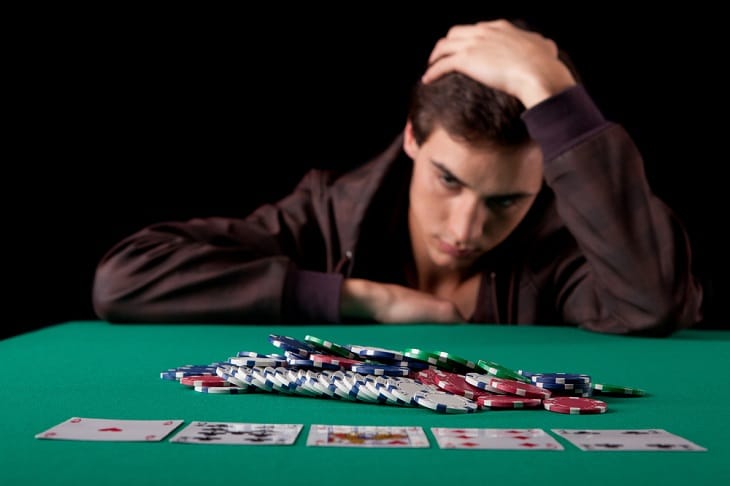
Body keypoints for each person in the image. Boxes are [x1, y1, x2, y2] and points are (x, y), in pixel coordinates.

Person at [92, 19, 703, 336]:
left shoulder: (560, 246)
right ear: (412, 137)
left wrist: (553, 92)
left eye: (507, 200)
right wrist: (368, 300)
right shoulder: (328, 215)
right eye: (448, 180)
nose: (466, 228)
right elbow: (126, 278)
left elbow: (654, 306)